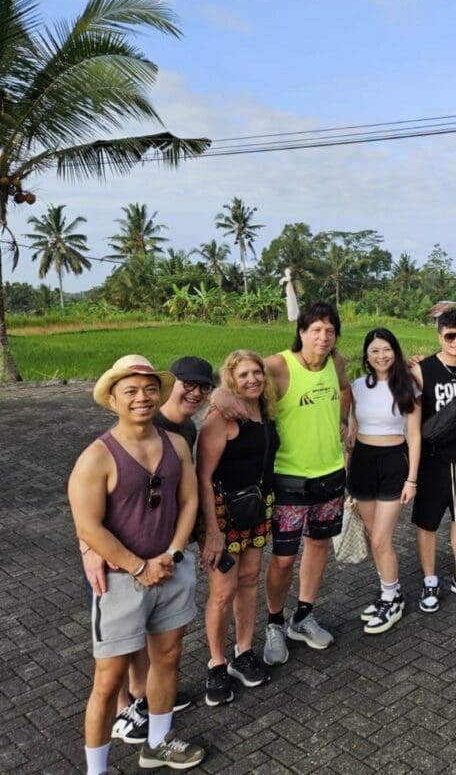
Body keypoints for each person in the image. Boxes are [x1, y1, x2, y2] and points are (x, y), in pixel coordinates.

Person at [68, 355, 204, 774]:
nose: (142, 398)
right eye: (130, 391)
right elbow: (88, 527)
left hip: (171, 569)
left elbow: (190, 500)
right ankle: (97, 770)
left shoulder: (176, 444)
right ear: (112, 399)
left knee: (168, 657)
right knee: (108, 681)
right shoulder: (97, 457)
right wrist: (138, 566)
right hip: (120, 582)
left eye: (149, 390)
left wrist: (174, 553)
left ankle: (158, 743)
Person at [212, 300, 351, 666]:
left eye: (330, 330)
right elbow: (238, 378)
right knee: (284, 559)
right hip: (289, 479)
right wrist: (218, 395)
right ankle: (275, 622)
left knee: (319, 546)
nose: (323, 336)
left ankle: (302, 616)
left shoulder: (336, 362)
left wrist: (344, 421)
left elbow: (345, 389)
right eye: (316, 329)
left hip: (331, 473)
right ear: (301, 332)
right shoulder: (278, 365)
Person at [196, 350, 279, 705]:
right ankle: (217, 663)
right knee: (222, 591)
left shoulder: (266, 413)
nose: (252, 380)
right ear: (231, 379)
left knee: (248, 581)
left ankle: (243, 651)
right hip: (224, 513)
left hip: (258, 508)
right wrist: (211, 531)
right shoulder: (221, 418)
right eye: (243, 375)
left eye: (257, 373)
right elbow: (203, 476)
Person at [409, 309, 456, 612]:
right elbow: (409, 418)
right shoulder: (423, 370)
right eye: (450, 336)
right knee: (428, 522)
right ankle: (430, 579)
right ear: (439, 336)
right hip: (432, 459)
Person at [347, 328, 421, 633]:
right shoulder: (356, 387)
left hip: (394, 462)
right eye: (375, 350)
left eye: (387, 349)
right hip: (362, 461)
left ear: (396, 351)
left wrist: (411, 480)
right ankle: (387, 592)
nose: (381, 356)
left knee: (381, 538)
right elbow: (352, 430)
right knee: (369, 532)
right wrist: (347, 468)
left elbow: (415, 436)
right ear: (366, 354)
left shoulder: (407, 387)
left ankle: (393, 599)